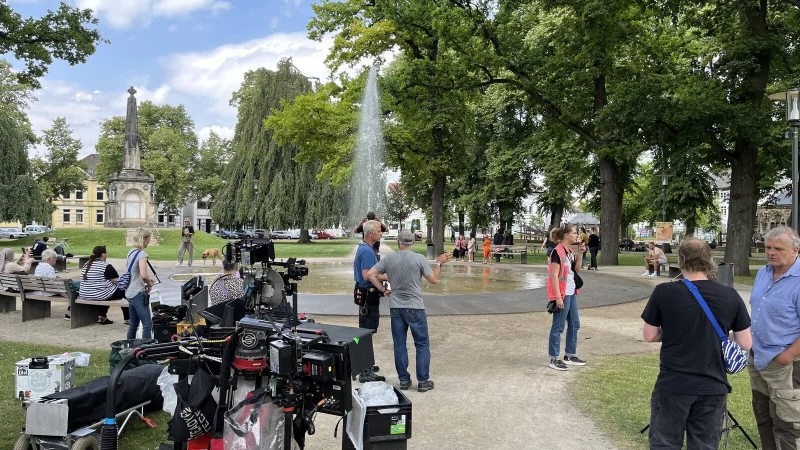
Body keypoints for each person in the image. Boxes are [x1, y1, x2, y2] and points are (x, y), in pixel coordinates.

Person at [641, 238, 752, 449]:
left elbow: (650, 335)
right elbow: (745, 343)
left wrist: (676, 332)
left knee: (665, 443)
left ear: (681, 260)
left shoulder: (664, 292)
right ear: (709, 260)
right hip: (713, 384)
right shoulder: (730, 295)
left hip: (674, 383)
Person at [366, 229, 452, 392]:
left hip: (396, 307)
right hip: (415, 307)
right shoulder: (418, 258)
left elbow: (371, 274)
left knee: (399, 345)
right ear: (412, 242)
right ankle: (423, 380)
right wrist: (439, 263)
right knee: (422, 343)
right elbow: (433, 280)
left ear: (398, 242)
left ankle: (404, 381)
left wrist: (383, 290)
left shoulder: (389, 259)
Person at [748, 226, 800, 449]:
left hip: (784, 364)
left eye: (778, 248)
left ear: (795, 250)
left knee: (787, 423)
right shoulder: (763, 272)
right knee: (763, 416)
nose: (771, 252)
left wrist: (786, 356)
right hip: (757, 359)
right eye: (768, 247)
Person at [547, 223, 587, 371]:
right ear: (566, 235)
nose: (577, 235)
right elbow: (554, 276)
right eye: (575, 233)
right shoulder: (557, 252)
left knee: (575, 324)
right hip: (562, 294)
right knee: (558, 326)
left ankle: (569, 355)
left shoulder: (569, 250)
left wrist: (581, 253)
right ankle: (554, 358)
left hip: (571, 292)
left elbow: (576, 270)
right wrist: (558, 297)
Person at [353, 220, 388, 382]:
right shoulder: (367, 252)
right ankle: (365, 373)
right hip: (369, 294)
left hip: (366, 294)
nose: (381, 232)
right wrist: (384, 284)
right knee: (366, 333)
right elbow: (368, 275)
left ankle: (366, 365)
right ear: (370, 233)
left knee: (365, 331)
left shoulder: (365, 248)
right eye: (379, 230)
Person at [78, 246, 131, 325]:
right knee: (124, 292)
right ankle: (128, 318)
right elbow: (117, 282)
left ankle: (102, 316)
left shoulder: (86, 265)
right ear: (103, 254)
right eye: (106, 253)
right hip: (98, 294)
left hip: (85, 294)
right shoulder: (106, 266)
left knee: (107, 292)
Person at [126, 228, 154, 339]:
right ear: (144, 239)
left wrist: (147, 280)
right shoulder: (142, 254)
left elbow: (134, 273)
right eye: (148, 239)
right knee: (147, 324)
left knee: (133, 324)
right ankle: (146, 349)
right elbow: (143, 274)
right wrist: (149, 283)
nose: (149, 242)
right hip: (138, 292)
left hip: (129, 291)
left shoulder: (131, 252)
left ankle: (129, 348)